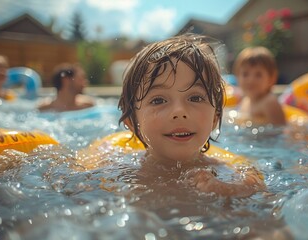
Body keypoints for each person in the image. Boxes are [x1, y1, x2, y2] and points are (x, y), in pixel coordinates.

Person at [115, 34, 265, 197]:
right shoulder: (121, 171)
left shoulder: (226, 171)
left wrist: (224, 190)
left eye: (195, 98)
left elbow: (257, 187)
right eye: (158, 100)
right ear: (131, 122)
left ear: (215, 117)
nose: (179, 111)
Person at [232, 46, 286, 126]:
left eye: (258, 75)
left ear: (271, 78)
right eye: (245, 74)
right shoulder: (246, 100)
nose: (251, 80)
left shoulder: (269, 102)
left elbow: (280, 130)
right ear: (237, 77)